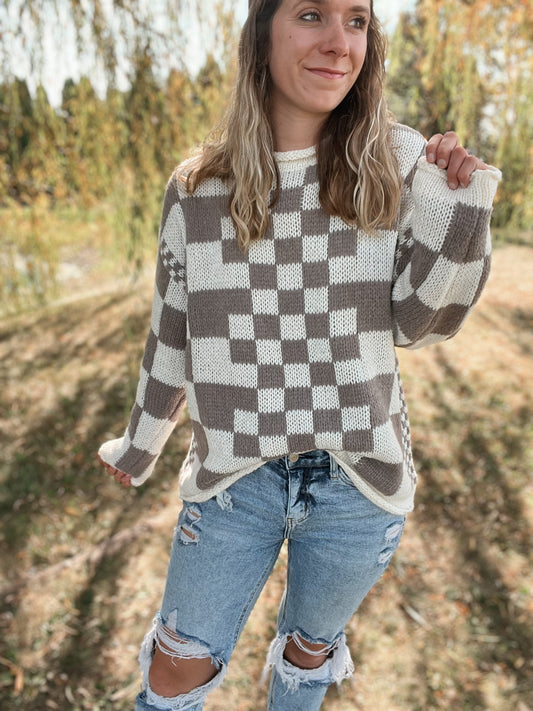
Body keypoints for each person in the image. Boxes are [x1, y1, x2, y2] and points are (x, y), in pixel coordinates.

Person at [98, 0, 501, 709]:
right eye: (312, 14)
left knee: (305, 661)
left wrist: (455, 207)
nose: (339, 43)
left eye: (356, 19)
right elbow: (172, 333)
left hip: (360, 483)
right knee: (171, 670)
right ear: (263, 31)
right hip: (233, 478)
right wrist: (140, 443)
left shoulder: (396, 162)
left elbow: (419, 323)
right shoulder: (197, 189)